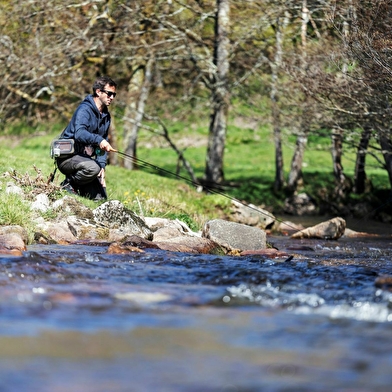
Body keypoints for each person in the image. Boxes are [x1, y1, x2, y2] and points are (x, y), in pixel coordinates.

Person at [56, 76, 117, 200]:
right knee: (92, 168)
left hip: (85, 161)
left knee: (100, 199)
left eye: (114, 95)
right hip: (68, 158)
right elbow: (80, 133)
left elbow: (102, 145)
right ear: (98, 92)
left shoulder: (106, 116)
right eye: (109, 94)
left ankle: (78, 187)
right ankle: (68, 184)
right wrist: (99, 140)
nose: (112, 98)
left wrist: (102, 167)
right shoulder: (84, 110)